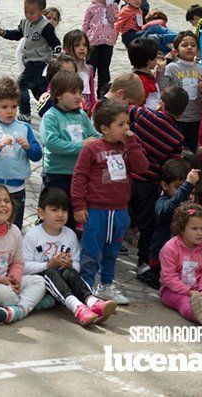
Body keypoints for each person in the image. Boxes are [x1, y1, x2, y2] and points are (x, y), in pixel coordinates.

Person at [71, 100, 148, 304]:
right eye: (120, 124)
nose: (126, 128)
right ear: (104, 128)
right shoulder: (92, 149)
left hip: (120, 210)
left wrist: (132, 144)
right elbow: (79, 177)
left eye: (127, 124)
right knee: (91, 250)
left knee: (112, 251)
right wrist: (79, 205)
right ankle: (85, 286)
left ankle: (105, 285)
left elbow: (142, 167)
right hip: (96, 210)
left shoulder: (128, 147)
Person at [23, 187, 117, 325]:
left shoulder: (70, 234)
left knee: (70, 272)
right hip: (40, 282)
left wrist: (71, 265)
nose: (60, 214)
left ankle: (92, 302)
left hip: (62, 283)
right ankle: (78, 308)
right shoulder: (32, 235)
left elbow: (78, 264)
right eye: (54, 210)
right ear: (41, 213)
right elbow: (23, 266)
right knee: (51, 272)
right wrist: (48, 265)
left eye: (64, 210)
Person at [128, 86, 188, 280]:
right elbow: (171, 165)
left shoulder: (142, 114)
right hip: (149, 183)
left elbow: (127, 110)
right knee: (146, 224)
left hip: (125, 176)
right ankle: (143, 261)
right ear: (182, 112)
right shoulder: (177, 138)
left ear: (161, 101)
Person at [0, 77, 42, 230]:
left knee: (14, 227)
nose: (10, 111)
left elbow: (37, 155)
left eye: (14, 106)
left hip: (16, 189)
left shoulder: (24, 128)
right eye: (4, 107)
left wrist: (28, 147)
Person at [0, 184, 48, 323]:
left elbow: (18, 261)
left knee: (39, 281)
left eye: (7, 201)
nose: (3, 204)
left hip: (9, 280)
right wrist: (1, 281)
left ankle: (18, 310)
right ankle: (29, 304)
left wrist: (14, 277)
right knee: (6, 295)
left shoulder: (14, 230)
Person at [40, 70, 99, 230]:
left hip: (79, 175)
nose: (79, 96)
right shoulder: (51, 116)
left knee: (72, 216)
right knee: (54, 215)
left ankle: (69, 245)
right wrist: (82, 145)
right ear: (58, 94)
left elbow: (94, 135)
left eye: (80, 92)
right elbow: (52, 143)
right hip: (57, 176)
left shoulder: (81, 115)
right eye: (73, 92)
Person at [0, 0, 60, 122]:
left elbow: (56, 44)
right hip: (30, 63)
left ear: (42, 12)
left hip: (40, 64)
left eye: (32, 13)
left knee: (19, 86)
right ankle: (55, 113)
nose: (28, 15)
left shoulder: (46, 26)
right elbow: (17, 34)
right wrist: (3, 32)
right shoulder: (25, 22)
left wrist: (54, 61)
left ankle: (25, 113)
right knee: (41, 93)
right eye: (26, 11)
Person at [144, 159, 198, 289]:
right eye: (179, 188)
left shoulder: (193, 208)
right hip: (160, 259)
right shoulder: (162, 203)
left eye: (192, 191)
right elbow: (169, 209)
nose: (188, 195)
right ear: (165, 185)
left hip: (184, 261)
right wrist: (187, 186)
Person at [163, 31, 202, 151]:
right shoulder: (172, 67)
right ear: (176, 49)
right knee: (174, 147)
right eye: (185, 45)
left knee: (191, 150)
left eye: (193, 45)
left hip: (195, 117)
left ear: (197, 50)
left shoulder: (200, 69)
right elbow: (162, 87)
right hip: (175, 117)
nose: (189, 48)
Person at [82, 0, 119, 94]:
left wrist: (110, 6)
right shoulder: (92, 7)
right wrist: (83, 39)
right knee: (90, 69)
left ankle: (102, 94)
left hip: (107, 43)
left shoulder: (113, 6)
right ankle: (88, 93)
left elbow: (114, 19)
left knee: (104, 69)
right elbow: (86, 23)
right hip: (93, 43)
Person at [62, 30, 95, 112]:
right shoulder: (63, 67)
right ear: (66, 49)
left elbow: (91, 93)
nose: (82, 48)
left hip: (84, 109)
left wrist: (93, 107)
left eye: (85, 45)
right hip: (66, 108)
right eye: (77, 45)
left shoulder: (89, 69)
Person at [128, 37, 164, 109]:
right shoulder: (140, 82)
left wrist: (160, 69)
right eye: (155, 57)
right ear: (150, 61)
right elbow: (138, 109)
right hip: (148, 117)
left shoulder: (143, 76)